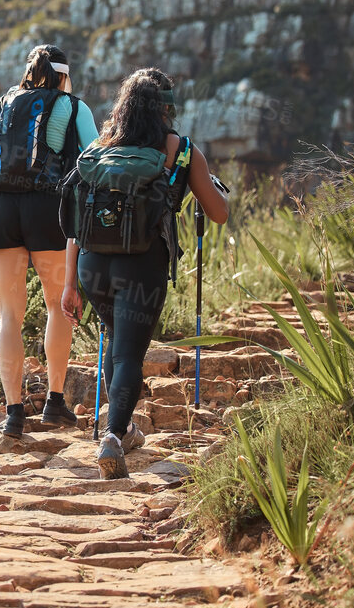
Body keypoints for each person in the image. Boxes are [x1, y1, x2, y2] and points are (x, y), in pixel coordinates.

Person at [61, 68, 229, 478]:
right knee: (130, 353)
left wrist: (69, 284)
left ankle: (125, 428)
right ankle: (113, 438)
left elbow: (74, 222)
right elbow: (219, 214)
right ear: (164, 110)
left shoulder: (100, 147)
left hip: (92, 264)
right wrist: (211, 186)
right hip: (143, 263)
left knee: (117, 341)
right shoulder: (182, 150)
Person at [0, 44, 101, 439]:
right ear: (63, 75)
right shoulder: (72, 106)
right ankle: (54, 403)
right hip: (48, 213)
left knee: (8, 315)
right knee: (58, 306)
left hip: (1, 216)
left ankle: (13, 415)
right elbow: (96, 158)